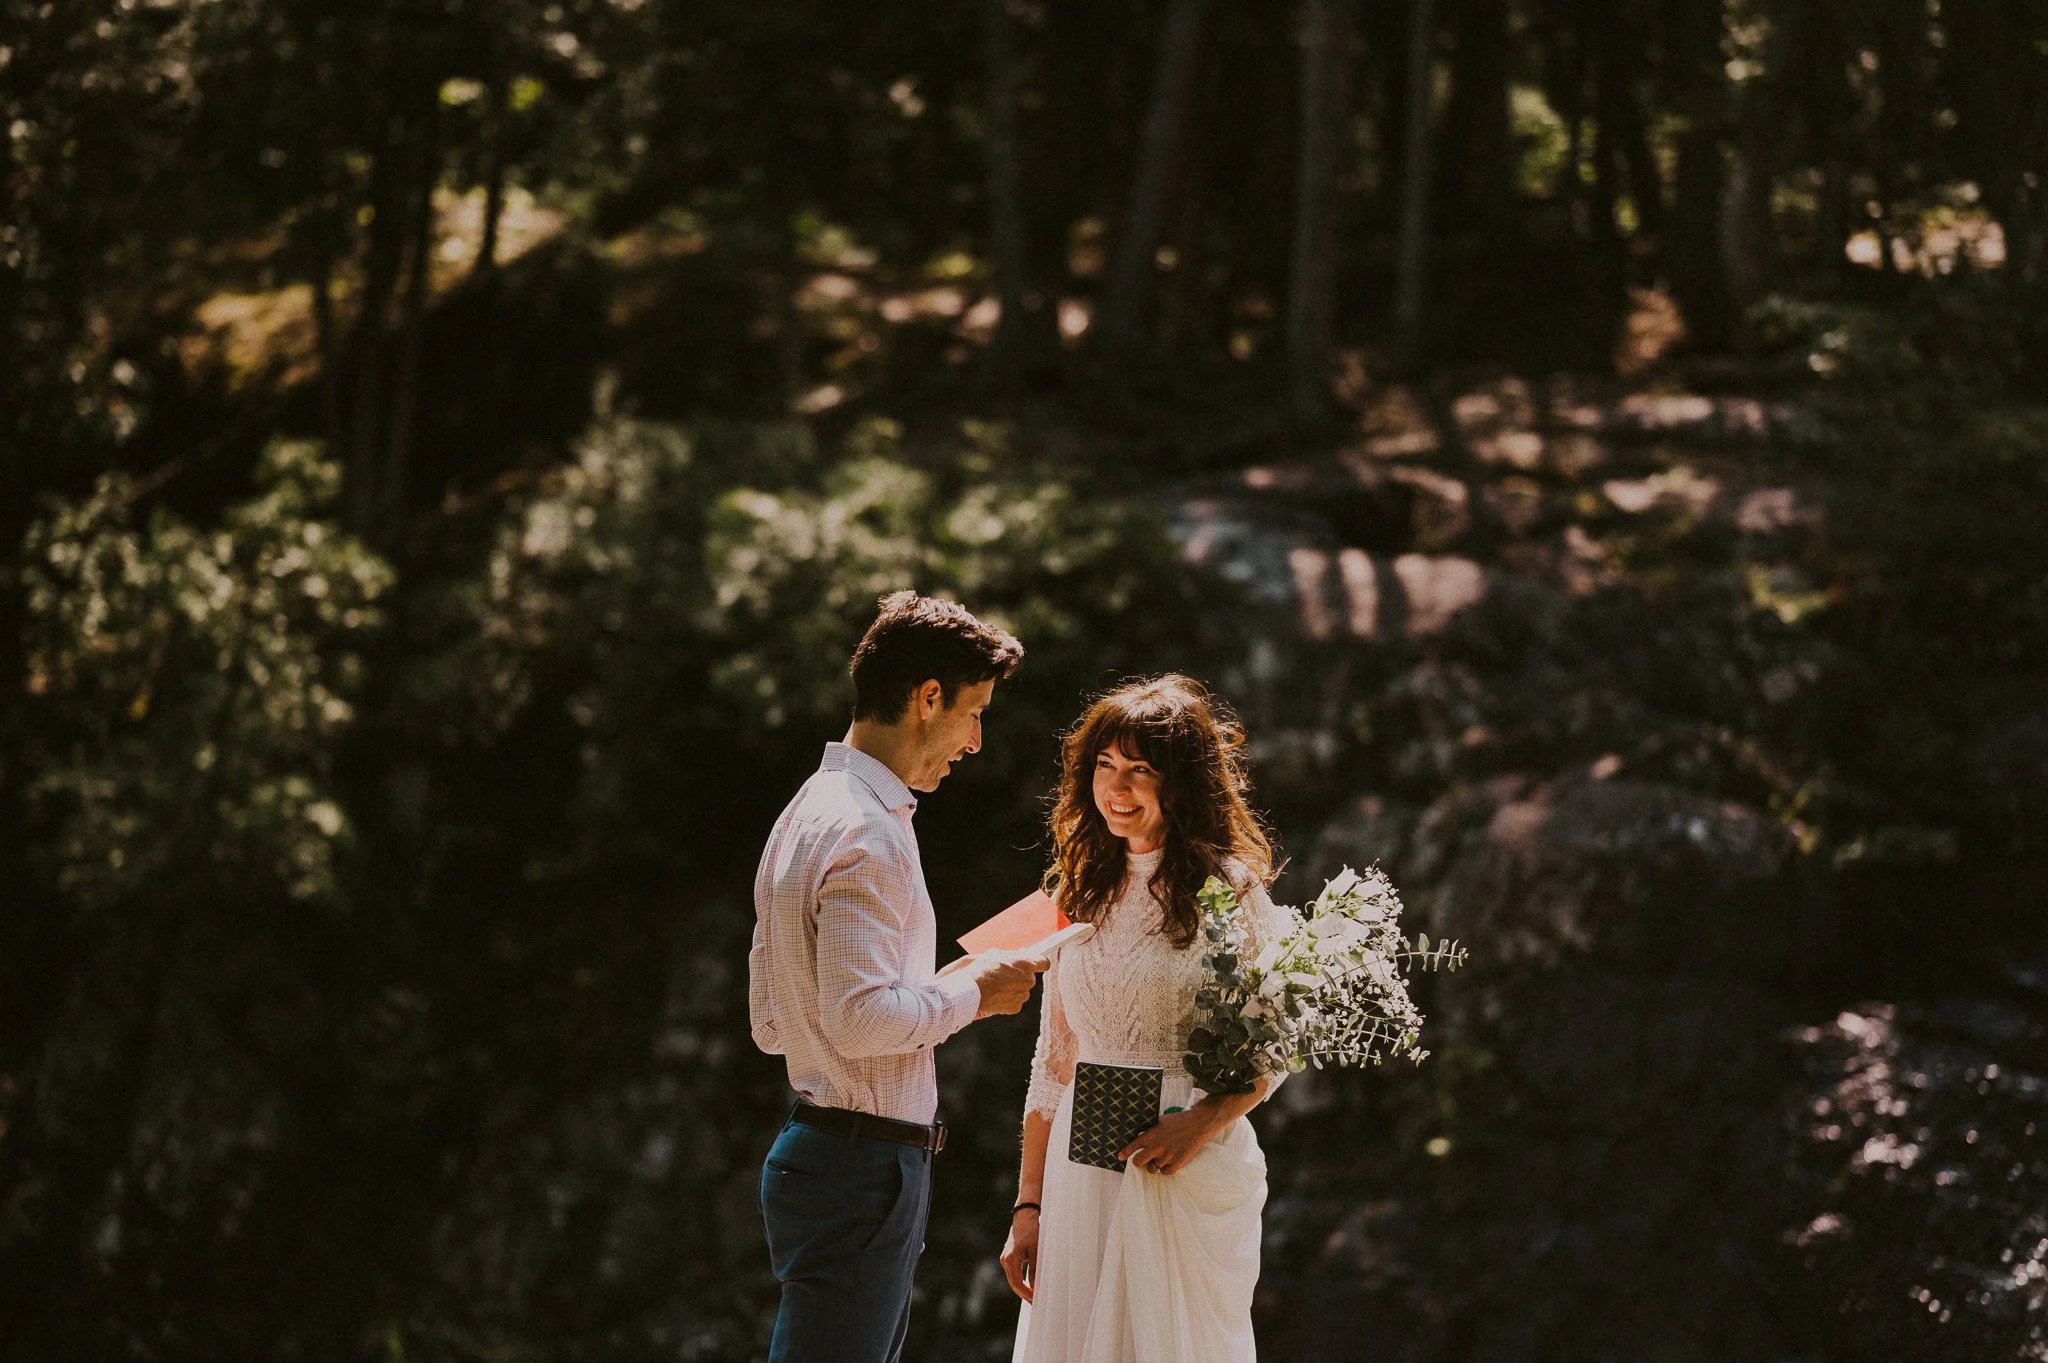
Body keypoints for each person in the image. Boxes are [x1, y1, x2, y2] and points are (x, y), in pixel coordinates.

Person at [750, 590, 1049, 1363]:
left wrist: (932, 987)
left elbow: (773, 1016)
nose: (977, 741)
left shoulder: (806, 810)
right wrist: (973, 993)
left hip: (829, 1152)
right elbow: (857, 1020)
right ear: (927, 698)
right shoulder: (868, 832)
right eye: (973, 712)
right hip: (861, 1166)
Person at [1002, 674, 1294, 1363]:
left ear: (1181, 781)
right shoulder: (1077, 890)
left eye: (1139, 769)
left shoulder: (1230, 890)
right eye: (1105, 766)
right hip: (1082, 1170)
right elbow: (1053, 1061)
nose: (1117, 788)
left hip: (1180, 1161)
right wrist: (1028, 1206)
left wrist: (1201, 1121)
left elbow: (1278, 1040)